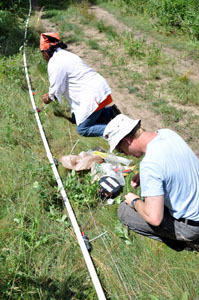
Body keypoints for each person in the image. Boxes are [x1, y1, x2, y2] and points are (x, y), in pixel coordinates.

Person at [103, 114, 199, 251]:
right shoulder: (167, 134)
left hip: (192, 226)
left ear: (126, 140)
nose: (124, 153)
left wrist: (134, 202)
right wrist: (143, 175)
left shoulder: (150, 165)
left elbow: (154, 218)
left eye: (120, 149)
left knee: (124, 211)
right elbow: (169, 160)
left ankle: (186, 243)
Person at [40, 32, 120, 137]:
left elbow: (55, 90)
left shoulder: (54, 63)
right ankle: (110, 113)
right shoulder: (66, 54)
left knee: (83, 129)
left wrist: (48, 98)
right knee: (77, 116)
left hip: (93, 95)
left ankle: (119, 132)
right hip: (99, 88)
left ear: (46, 52)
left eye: (42, 53)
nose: (43, 57)